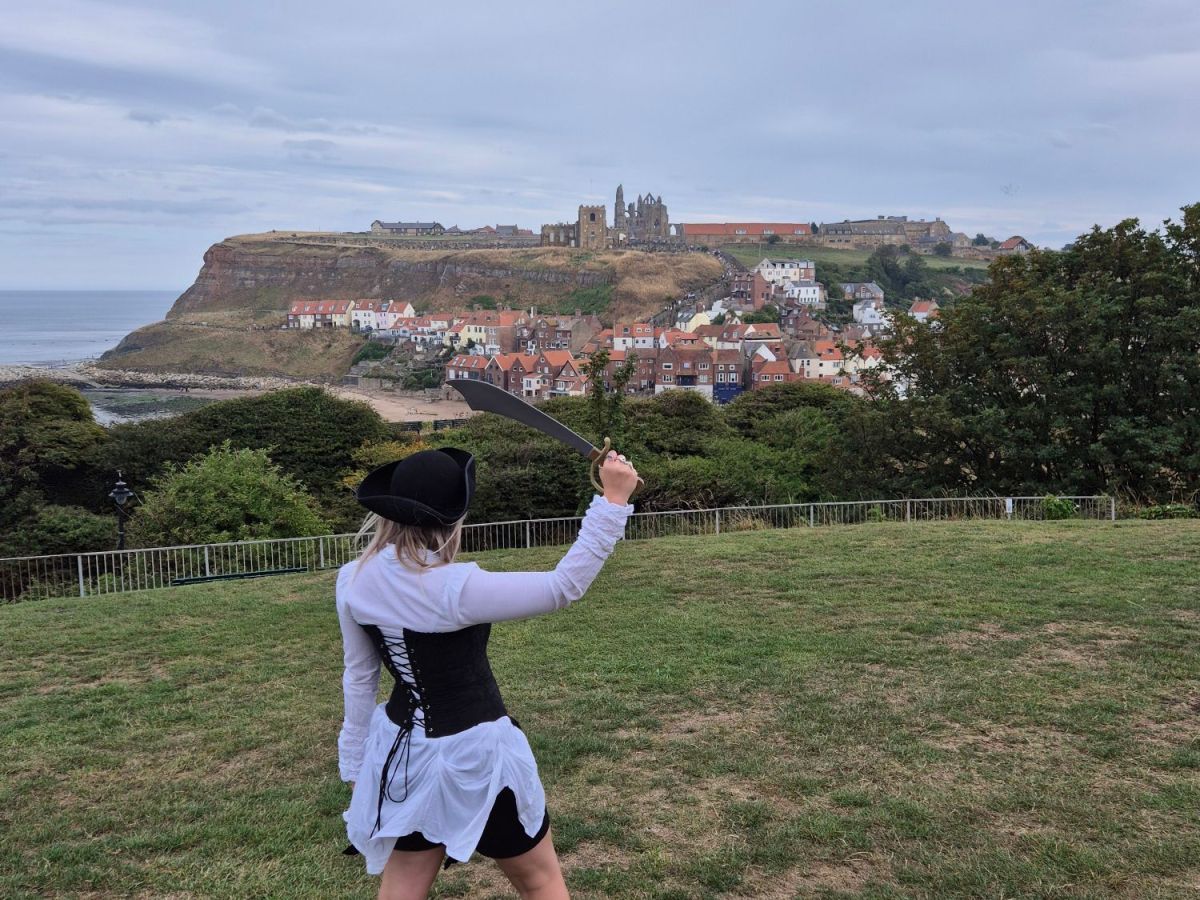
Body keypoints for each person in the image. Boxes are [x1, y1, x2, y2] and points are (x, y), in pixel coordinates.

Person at [336, 446, 640, 899]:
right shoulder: (455, 588)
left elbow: (360, 676)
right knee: (539, 882)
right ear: (454, 520)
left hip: (403, 758)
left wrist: (355, 763)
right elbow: (562, 587)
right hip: (476, 759)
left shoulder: (352, 578)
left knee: (402, 887)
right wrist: (613, 502)